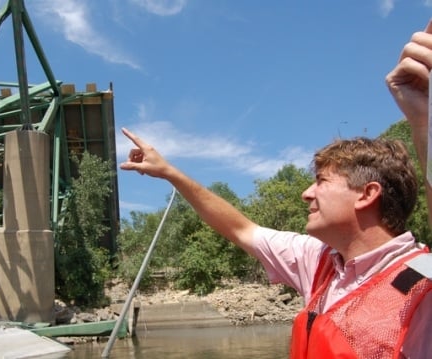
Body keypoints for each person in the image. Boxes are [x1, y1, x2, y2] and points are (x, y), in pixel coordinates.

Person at [120, 20, 432, 359]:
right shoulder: (318, 262)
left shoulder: (422, 283)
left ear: (367, 194)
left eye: (321, 182)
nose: (306, 194)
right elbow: (241, 229)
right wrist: (169, 173)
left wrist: (423, 120)